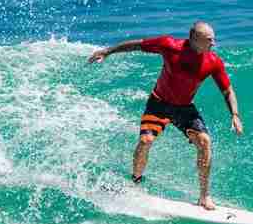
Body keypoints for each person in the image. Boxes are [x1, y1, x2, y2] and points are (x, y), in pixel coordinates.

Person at [88, 21, 243, 210]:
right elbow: (138, 44)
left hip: (184, 108)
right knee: (145, 141)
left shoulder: (213, 62)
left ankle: (204, 196)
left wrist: (234, 114)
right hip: (158, 104)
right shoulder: (169, 46)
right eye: (209, 40)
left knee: (204, 141)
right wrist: (108, 51)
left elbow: (227, 91)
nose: (214, 43)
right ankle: (135, 183)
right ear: (195, 39)